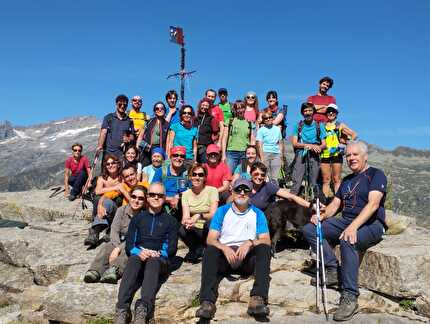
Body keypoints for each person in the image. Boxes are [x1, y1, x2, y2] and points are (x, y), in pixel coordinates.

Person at [302, 141, 387, 321]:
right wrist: (322, 216)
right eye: (348, 155)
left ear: (365, 156)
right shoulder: (347, 181)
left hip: (372, 224)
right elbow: (335, 205)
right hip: (347, 221)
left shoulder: (376, 175)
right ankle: (333, 269)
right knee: (311, 229)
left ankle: (350, 296)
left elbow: (373, 205)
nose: (351, 158)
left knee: (348, 240)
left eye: (355, 155)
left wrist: (353, 227)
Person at [195, 178, 271, 320]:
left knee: (264, 249)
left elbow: (266, 240)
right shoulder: (222, 211)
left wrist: (249, 243)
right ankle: (207, 302)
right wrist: (223, 247)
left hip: (246, 259)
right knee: (211, 250)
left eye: (246, 190)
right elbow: (210, 238)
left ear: (250, 193)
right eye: (238, 189)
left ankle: (257, 298)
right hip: (226, 259)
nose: (242, 193)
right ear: (232, 191)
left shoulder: (258, 214)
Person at [114, 183, 178, 324]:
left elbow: (172, 248)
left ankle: (143, 308)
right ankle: (121, 309)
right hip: (140, 256)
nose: (156, 198)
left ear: (164, 198)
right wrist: (140, 252)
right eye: (153, 195)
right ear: (148, 197)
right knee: (133, 260)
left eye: (160, 195)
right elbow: (130, 244)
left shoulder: (171, 221)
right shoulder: (138, 219)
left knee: (153, 261)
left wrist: (158, 253)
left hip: (159, 260)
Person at [83, 185, 146, 284]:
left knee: (129, 250)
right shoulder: (122, 210)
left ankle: (115, 270)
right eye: (134, 197)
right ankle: (95, 270)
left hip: (132, 243)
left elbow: (136, 238)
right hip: (118, 240)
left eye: (141, 198)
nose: (136, 200)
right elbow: (114, 230)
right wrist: (115, 247)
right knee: (107, 247)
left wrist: (118, 249)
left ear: (145, 201)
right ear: (130, 196)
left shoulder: (144, 216)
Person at [179, 164, 219, 263]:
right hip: (195, 225)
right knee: (181, 229)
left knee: (210, 224)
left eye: (200, 175)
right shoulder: (186, 194)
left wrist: (199, 215)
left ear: (205, 177)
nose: (197, 177)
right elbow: (185, 216)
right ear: (190, 177)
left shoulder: (212, 191)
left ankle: (207, 248)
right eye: (194, 174)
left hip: (207, 224)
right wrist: (187, 222)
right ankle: (196, 248)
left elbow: (213, 214)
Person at [320, 104, 357, 198]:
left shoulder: (340, 125)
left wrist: (345, 144)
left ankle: (338, 201)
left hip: (337, 154)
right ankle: (325, 202)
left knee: (336, 179)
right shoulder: (322, 125)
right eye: (328, 111)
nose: (330, 113)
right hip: (324, 154)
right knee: (326, 180)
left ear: (336, 114)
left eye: (333, 111)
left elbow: (354, 134)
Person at [290, 103, 327, 195]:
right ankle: (291, 203)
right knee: (297, 179)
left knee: (314, 181)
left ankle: (314, 203)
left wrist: (318, 147)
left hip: (315, 154)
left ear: (313, 112)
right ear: (302, 113)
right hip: (301, 153)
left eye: (310, 110)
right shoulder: (298, 126)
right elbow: (294, 143)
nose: (307, 113)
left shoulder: (319, 126)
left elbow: (324, 144)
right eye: (305, 111)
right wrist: (309, 146)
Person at [96, 94, 135, 159]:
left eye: (125, 105)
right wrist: (100, 146)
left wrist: (128, 139)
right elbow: (103, 132)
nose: (122, 106)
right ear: (116, 104)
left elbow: (132, 136)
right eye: (120, 104)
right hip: (108, 153)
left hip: (122, 154)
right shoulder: (108, 117)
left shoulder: (129, 120)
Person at [151, 146, 189, 213]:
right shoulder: (161, 172)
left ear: (184, 159)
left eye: (182, 156)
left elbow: (192, 192)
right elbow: (153, 192)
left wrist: (178, 197)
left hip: (181, 209)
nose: (178, 158)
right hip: (161, 209)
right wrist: (170, 199)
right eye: (175, 155)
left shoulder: (186, 174)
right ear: (171, 157)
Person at [222, 100, 255, 173]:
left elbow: (252, 140)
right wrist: (223, 155)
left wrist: (252, 154)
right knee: (229, 175)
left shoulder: (250, 123)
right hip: (231, 153)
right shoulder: (230, 121)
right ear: (235, 110)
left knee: (243, 174)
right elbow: (224, 139)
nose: (240, 110)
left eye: (242, 108)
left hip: (244, 154)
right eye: (238, 108)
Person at [137, 101, 170, 167]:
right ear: (154, 111)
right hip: (147, 150)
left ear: (165, 110)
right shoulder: (149, 121)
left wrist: (167, 156)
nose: (159, 110)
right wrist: (137, 147)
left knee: (161, 170)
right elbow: (141, 135)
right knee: (145, 169)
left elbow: (169, 141)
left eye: (162, 108)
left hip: (161, 150)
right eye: (157, 108)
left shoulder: (168, 124)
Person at [256, 110, 283, 182]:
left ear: (273, 118)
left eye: (270, 117)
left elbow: (280, 143)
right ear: (263, 120)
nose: (268, 119)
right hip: (265, 153)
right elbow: (260, 145)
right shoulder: (261, 130)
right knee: (265, 175)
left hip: (276, 154)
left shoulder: (277, 129)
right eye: (265, 118)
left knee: (275, 176)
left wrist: (281, 156)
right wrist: (262, 158)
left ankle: (274, 191)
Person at [195, 98, 218, 163]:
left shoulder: (212, 119)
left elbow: (216, 135)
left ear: (209, 107)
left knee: (204, 166)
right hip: (194, 147)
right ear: (200, 106)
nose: (204, 107)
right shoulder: (194, 118)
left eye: (206, 105)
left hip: (205, 148)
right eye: (203, 105)